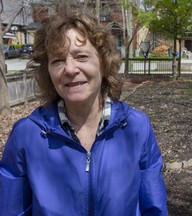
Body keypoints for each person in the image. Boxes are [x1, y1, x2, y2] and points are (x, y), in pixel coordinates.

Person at [0, 8, 168, 216]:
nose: (70, 69)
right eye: (58, 61)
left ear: (104, 64)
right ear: (48, 72)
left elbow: (154, 209)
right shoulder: (26, 136)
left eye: (81, 56)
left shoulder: (136, 128)